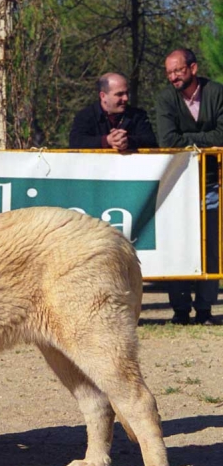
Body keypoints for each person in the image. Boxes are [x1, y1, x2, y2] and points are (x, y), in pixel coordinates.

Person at [156, 48, 223, 326]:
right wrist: (207, 140)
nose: (173, 77)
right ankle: (180, 310)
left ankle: (205, 310)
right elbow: (168, 140)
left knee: (212, 244)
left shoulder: (217, 92)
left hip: (212, 181)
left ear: (193, 68)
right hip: (179, 185)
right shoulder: (165, 99)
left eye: (178, 70)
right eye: (169, 72)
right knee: (179, 244)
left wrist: (190, 139)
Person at [69, 72, 157, 150]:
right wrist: (106, 141)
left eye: (127, 93)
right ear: (103, 96)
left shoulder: (137, 116)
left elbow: (150, 142)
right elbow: (76, 143)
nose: (126, 98)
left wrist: (127, 141)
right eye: (119, 94)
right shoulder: (85, 116)